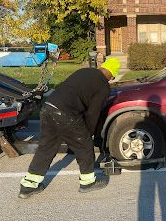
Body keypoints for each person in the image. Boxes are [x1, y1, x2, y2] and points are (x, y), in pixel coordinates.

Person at [18, 58, 121, 199]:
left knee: (46, 148)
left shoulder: (85, 71)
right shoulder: (103, 86)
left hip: (48, 108)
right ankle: (88, 183)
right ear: (112, 75)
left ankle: (28, 186)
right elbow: (93, 113)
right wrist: (88, 134)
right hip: (65, 113)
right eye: (112, 78)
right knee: (84, 145)